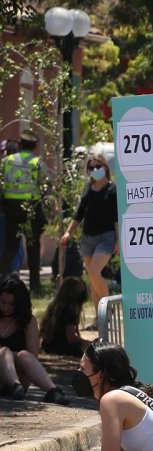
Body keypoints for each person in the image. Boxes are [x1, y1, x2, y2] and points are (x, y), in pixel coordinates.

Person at [59, 153, 118, 321]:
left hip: (106, 237)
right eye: (91, 167)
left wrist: (119, 241)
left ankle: (108, 309)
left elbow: (116, 218)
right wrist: (68, 232)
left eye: (98, 166)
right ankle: (100, 320)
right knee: (92, 278)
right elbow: (79, 213)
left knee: (94, 272)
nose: (94, 170)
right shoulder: (87, 188)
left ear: (105, 167)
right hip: (87, 238)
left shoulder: (112, 189)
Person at [0, 278, 69, 402]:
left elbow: (33, 355)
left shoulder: (28, 321)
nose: (5, 307)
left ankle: (52, 390)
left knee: (24, 355)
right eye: (3, 302)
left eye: (11, 304)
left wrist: (12, 355)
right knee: (4, 351)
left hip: (21, 378)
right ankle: (14, 384)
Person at [2, 130, 47, 293]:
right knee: (33, 247)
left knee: (10, 246)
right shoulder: (37, 162)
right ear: (35, 146)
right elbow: (44, 185)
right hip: (31, 208)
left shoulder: (7, 161)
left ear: (20, 144)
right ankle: (35, 286)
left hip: (11, 208)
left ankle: (1, 280)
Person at [41, 276, 89, 356]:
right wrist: (87, 342)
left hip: (48, 345)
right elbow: (71, 337)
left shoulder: (56, 306)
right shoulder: (68, 310)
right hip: (61, 347)